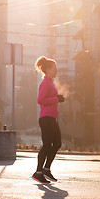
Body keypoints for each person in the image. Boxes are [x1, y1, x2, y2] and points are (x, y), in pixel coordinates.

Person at [32, 56, 65, 184]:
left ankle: (46, 169)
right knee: (47, 145)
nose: (57, 70)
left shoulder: (50, 82)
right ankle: (38, 172)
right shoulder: (45, 83)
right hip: (46, 118)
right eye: (55, 68)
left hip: (52, 118)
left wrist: (57, 98)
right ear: (48, 69)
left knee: (57, 144)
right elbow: (40, 100)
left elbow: (49, 97)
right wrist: (56, 99)